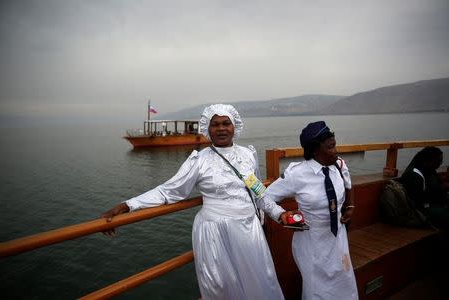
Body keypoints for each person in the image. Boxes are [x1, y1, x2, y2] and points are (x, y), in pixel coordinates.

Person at [101, 104, 284, 300]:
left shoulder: (247, 155)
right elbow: (168, 191)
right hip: (215, 233)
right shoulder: (199, 161)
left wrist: (279, 214)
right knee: (220, 287)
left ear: (234, 126)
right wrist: (127, 205)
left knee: (258, 281)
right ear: (207, 128)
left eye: (225, 123)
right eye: (215, 124)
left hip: (249, 230)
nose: (221, 128)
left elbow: (258, 192)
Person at [259, 121, 358, 300]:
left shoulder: (339, 165)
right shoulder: (296, 174)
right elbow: (264, 197)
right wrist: (280, 215)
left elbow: (349, 185)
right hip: (311, 242)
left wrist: (350, 206)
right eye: (331, 147)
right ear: (314, 150)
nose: (336, 151)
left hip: (338, 237)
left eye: (335, 145)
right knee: (316, 289)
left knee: (344, 280)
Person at [400, 146, 449, 231]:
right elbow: (419, 201)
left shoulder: (429, 170)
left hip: (431, 206)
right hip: (420, 212)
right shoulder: (414, 175)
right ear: (428, 161)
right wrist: (442, 189)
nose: (440, 164)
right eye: (438, 161)